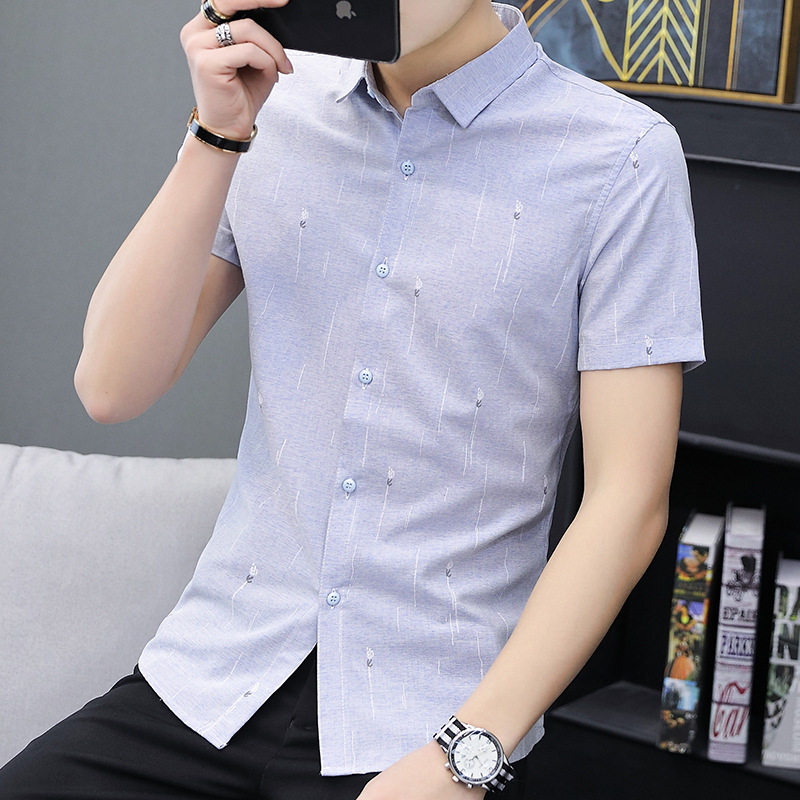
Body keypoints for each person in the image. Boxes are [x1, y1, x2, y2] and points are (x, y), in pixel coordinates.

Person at [0, 0, 705, 797]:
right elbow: (111, 386)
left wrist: (466, 753)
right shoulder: (273, 104)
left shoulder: (620, 156)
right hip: (212, 680)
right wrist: (217, 133)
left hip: (428, 723)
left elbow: (627, 499)